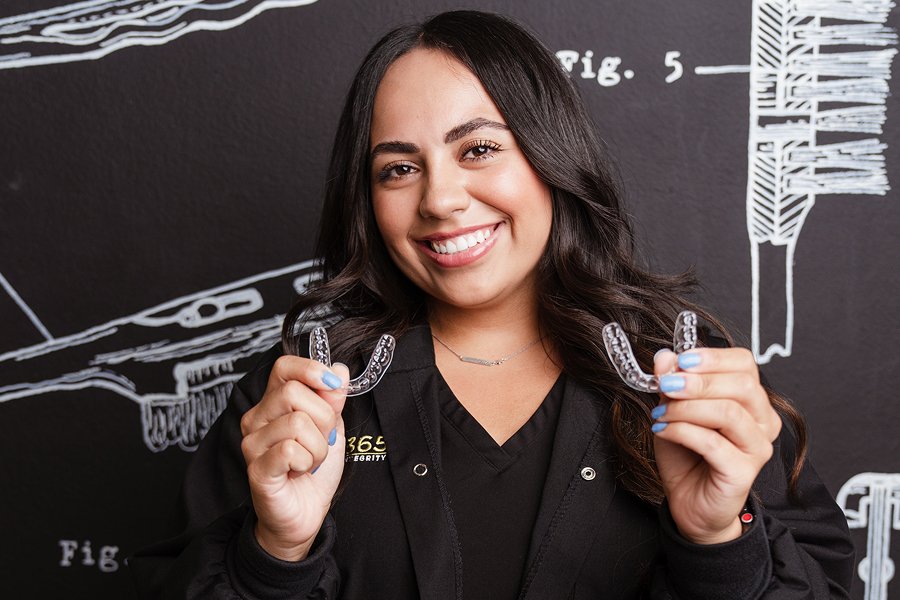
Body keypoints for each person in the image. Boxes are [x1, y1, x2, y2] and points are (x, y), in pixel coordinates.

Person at [130, 10, 855, 599]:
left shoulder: (689, 391)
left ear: (550, 157)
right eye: (399, 168)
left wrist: (719, 542)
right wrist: (276, 554)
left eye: (477, 150)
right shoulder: (296, 401)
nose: (440, 199)